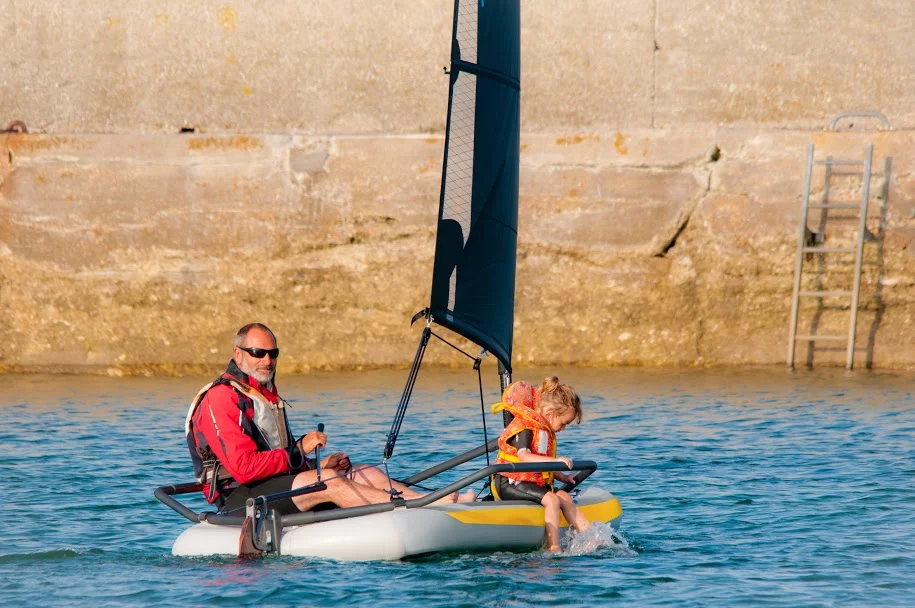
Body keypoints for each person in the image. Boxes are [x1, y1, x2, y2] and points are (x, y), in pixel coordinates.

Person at [186, 322, 474, 517]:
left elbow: (277, 461)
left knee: (365, 472)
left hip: (270, 486)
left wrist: (317, 464)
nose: (268, 361)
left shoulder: (263, 395)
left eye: (273, 354)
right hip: (238, 499)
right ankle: (425, 508)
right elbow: (245, 469)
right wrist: (300, 450)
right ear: (238, 355)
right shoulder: (221, 398)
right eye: (258, 353)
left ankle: (435, 505)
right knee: (332, 483)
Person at [490, 376, 591, 553]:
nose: (564, 428)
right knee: (552, 499)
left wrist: (562, 476)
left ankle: (590, 538)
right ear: (551, 413)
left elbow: (541, 466)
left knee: (564, 497)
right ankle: (554, 548)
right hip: (508, 482)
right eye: (564, 423)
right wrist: (556, 461)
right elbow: (525, 457)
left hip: (528, 483)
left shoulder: (542, 429)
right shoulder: (525, 428)